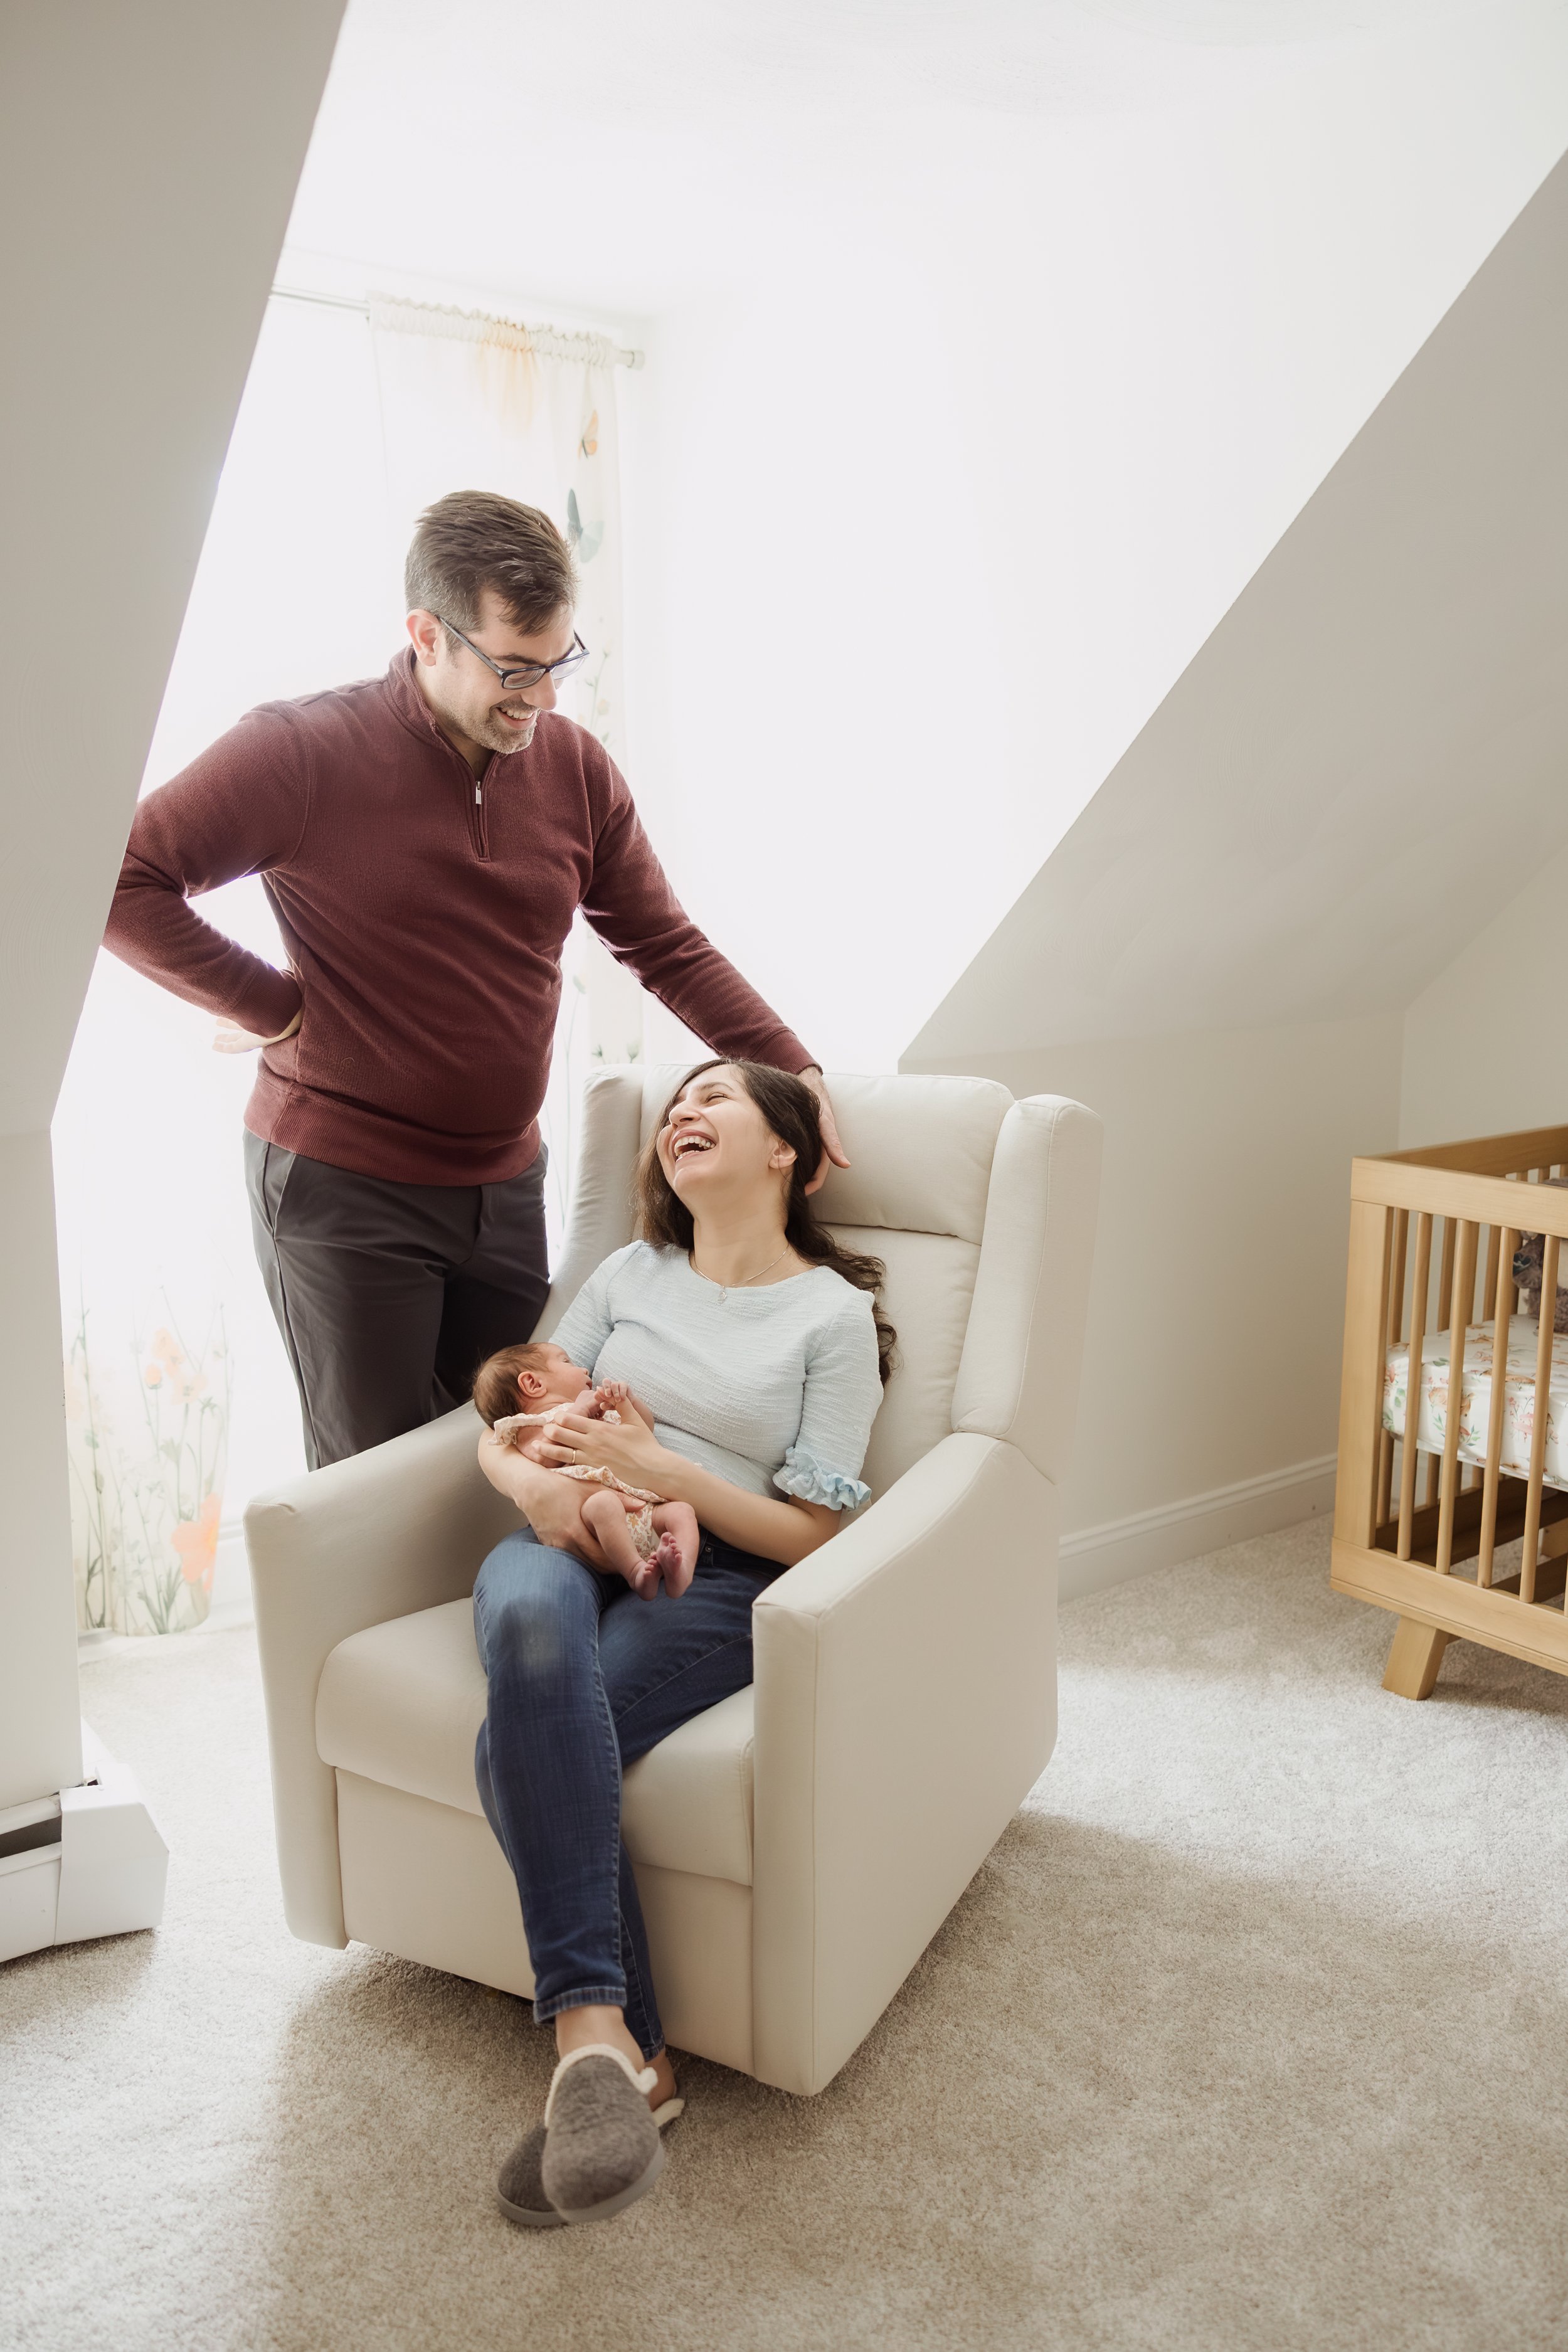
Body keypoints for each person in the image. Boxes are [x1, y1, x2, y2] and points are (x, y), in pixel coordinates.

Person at [102, 490, 846, 1468]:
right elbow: (121, 880)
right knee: (370, 1486)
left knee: (509, 1463)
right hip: (344, 1190)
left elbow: (664, 942)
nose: (542, 700)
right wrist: (273, 1004)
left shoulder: (575, 769)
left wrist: (798, 1075)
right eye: (516, 669)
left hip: (503, 1187)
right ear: (427, 635)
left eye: (559, 664)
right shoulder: (300, 750)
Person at [473, 1058, 895, 2228]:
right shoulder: (629, 1271)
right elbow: (512, 1420)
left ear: (789, 1152)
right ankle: (619, 2053)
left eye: (716, 1097)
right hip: (562, 1525)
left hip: (720, 1565)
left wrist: (665, 1475)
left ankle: (606, 2054)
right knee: (527, 1632)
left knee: (537, 1723)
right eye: (674, 1106)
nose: (682, 1114)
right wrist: (533, 1492)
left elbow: (816, 1531)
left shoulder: (831, 1316)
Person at [472, 1342, 700, 1597]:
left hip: (646, 1510)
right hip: (597, 1519)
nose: (584, 1370)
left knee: (682, 1512)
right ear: (533, 1384)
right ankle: (636, 1571)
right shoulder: (530, 1425)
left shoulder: (599, 1407)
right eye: (568, 1361)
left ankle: (681, 1571)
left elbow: (644, 1431)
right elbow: (543, 1456)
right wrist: (578, 1411)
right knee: (604, 1504)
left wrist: (629, 1403)